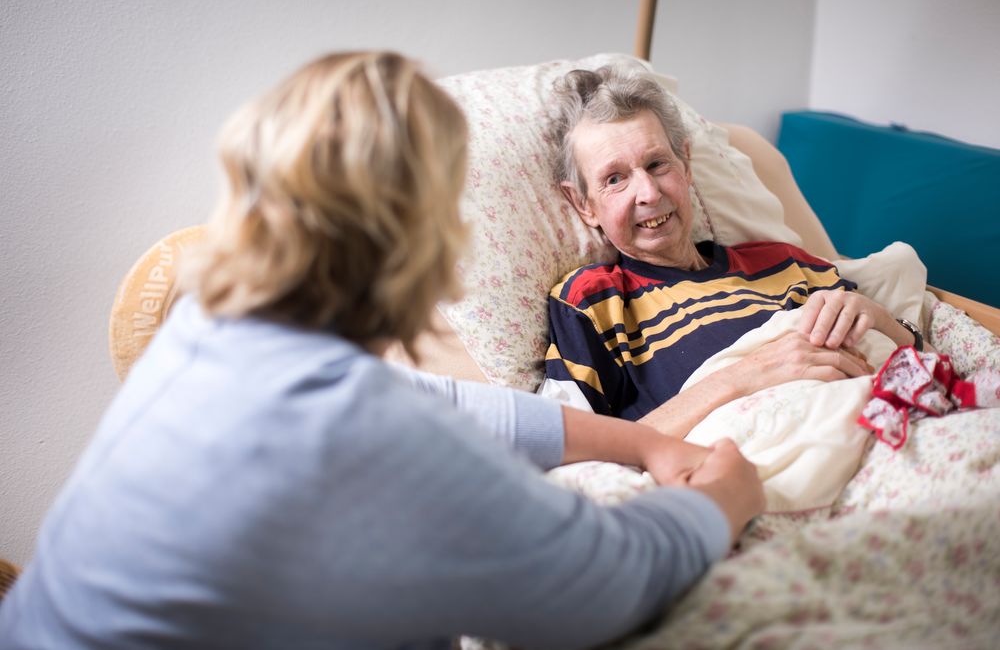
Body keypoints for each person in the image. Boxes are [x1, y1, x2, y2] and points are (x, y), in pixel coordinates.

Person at [0, 52, 764, 649]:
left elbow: (451, 405)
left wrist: (643, 442)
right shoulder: (363, 433)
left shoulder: (212, 335)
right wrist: (723, 499)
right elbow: (602, 583)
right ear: (421, 234)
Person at [542, 65, 926, 436]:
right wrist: (743, 376)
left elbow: (914, 360)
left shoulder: (785, 261)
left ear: (686, 165)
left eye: (657, 164)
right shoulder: (594, 303)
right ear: (583, 204)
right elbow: (574, 448)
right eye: (615, 179)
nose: (649, 193)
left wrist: (881, 319)